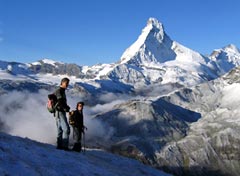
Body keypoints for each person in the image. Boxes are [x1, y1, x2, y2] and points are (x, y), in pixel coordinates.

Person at [54, 77, 71, 150]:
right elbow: (60, 101)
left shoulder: (61, 91)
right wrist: (66, 107)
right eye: (66, 83)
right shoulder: (60, 91)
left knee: (60, 129)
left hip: (58, 112)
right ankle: (64, 146)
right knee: (66, 129)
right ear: (62, 83)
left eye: (68, 83)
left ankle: (59, 146)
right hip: (60, 112)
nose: (67, 85)